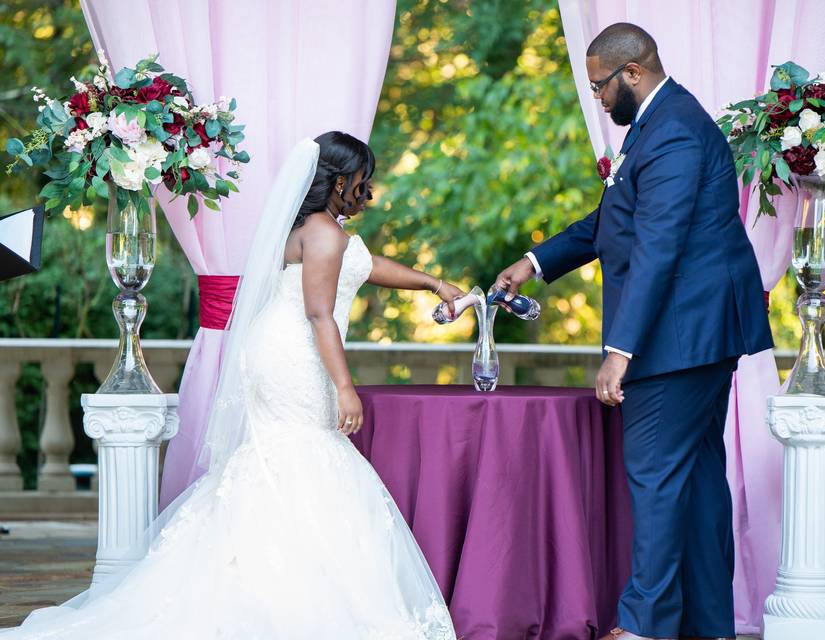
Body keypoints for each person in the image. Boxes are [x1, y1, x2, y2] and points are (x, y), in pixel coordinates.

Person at [1, 133, 459, 639]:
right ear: (340, 179)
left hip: (282, 350)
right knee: (304, 455)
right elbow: (319, 314)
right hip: (296, 355)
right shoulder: (325, 233)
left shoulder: (316, 227)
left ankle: (266, 577)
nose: (365, 187)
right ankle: (287, 595)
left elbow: (366, 267)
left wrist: (434, 284)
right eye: (361, 178)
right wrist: (346, 387)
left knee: (281, 459)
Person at [494, 23, 771, 640]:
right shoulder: (659, 123)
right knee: (697, 482)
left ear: (633, 72)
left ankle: (644, 626)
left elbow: (658, 246)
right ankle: (708, 626)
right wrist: (537, 261)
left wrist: (621, 350)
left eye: (600, 87)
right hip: (696, 336)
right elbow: (613, 220)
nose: (598, 98)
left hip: (676, 341)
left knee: (655, 478)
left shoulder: (672, 129)